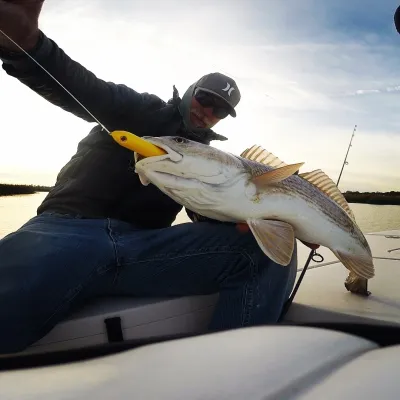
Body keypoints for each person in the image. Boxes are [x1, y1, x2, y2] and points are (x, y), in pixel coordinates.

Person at [0, 0, 298, 354]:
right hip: (66, 231)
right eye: (205, 99)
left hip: (144, 251)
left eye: (219, 110)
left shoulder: (212, 162)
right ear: (190, 91)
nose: (207, 112)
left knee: (262, 251)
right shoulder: (138, 109)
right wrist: (27, 47)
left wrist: (264, 221)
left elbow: (206, 216)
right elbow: (85, 90)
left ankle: (228, 368)